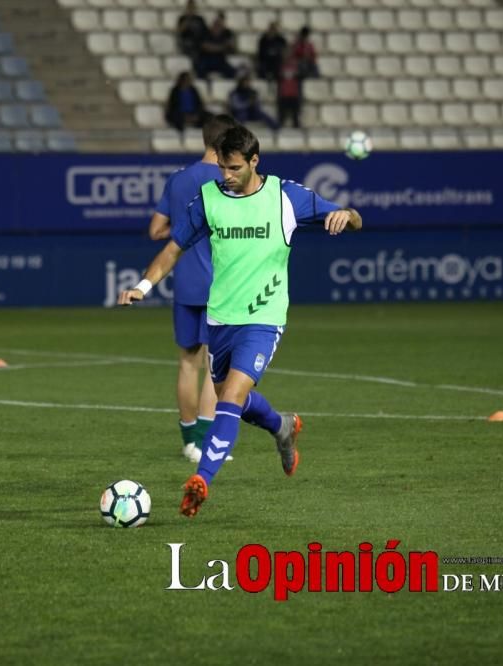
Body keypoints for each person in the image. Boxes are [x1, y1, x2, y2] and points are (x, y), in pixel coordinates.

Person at [119, 126, 362, 517]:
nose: (226, 175)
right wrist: (143, 286)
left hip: (264, 319)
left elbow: (353, 217)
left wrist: (346, 216)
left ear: (254, 161)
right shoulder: (210, 199)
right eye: (222, 167)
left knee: (227, 398)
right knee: (237, 399)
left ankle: (202, 479)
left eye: (234, 168)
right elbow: (173, 248)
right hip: (221, 319)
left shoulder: (286, 197)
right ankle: (281, 426)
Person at [148, 114, 239, 463]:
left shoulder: (178, 179)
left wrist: (184, 232)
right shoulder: (226, 179)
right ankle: (205, 441)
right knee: (216, 364)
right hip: (220, 285)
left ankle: (188, 441)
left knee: (188, 362)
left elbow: (157, 230)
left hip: (185, 282)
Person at [195, 12, 237, 80]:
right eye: (216, 25)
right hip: (206, 60)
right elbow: (206, 47)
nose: (217, 28)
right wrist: (222, 47)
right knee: (200, 69)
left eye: (219, 26)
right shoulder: (205, 33)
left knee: (232, 72)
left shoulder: (225, 34)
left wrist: (218, 47)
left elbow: (231, 47)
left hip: (220, 60)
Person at [277, 47, 302, 128]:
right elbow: (279, 76)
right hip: (284, 92)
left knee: (295, 113)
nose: (287, 55)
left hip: (293, 92)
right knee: (282, 113)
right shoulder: (281, 65)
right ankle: (280, 126)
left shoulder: (295, 64)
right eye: (285, 54)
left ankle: (296, 126)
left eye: (288, 53)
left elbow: (299, 75)